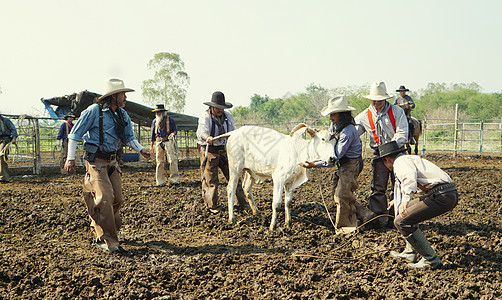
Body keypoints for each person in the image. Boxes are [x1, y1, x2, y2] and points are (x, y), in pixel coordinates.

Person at [64, 78, 151, 252]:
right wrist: (70, 158)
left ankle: (98, 220)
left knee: (117, 199)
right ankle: (109, 240)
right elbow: (75, 135)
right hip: (96, 162)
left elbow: (128, 138)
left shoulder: (122, 114)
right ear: (113, 96)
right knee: (105, 198)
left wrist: (141, 150)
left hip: (113, 162)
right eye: (123, 93)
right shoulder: (93, 112)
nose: (125, 96)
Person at [378, 141, 458, 269]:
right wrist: (398, 200)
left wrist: (405, 200)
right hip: (446, 193)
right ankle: (410, 252)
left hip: (441, 195)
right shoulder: (407, 158)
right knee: (408, 213)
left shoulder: (399, 162)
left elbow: (409, 178)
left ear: (387, 159)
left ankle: (430, 259)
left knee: (401, 221)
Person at [302, 95, 374, 234]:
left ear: (341, 114)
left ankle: (346, 227)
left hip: (351, 164)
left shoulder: (348, 131)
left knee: (341, 195)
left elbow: (336, 156)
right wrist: (316, 135)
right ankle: (365, 214)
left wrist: (315, 164)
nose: (331, 117)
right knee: (338, 193)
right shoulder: (335, 125)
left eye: (333, 114)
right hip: (344, 163)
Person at [354, 82, 409, 228]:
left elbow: (402, 132)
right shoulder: (364, 115)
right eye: (374, 100)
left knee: (399, 184)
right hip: (379, 153)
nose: (377, 102)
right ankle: (378, 217)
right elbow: (354, 132)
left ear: (385, 99)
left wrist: (391, 146)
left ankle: (396, 216)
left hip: (397, 152)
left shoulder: (397, 111)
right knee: (378, 186)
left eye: (379, 100)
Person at [196, 91, 249, 214]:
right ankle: (212, 205)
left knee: (234, 176)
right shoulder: (206, 117)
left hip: (224, 150)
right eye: (218, 108)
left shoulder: (227, 117)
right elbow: (201, 132)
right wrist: (207, 137)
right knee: (211, 179)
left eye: (222, 108)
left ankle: (241, 202)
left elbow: (232, 131)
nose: (220, 110)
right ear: (212, 107)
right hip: (209, 151)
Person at [150, 104, 179, 186]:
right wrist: (151, 146)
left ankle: (174, 180)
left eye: (160, 112)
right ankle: (160, 181)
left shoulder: (170, 120)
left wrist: (173, 134)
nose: (158, 113)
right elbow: (152, 135)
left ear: (163, 112)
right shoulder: (155, 122)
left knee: (172, 160)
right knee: (159, 162)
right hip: (159, 142)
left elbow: (175, 130)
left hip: (168, 141)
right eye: (157, 112)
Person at [0, 114, 18, 183]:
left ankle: (4, 177)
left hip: (5, 140)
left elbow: (13, 129)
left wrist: (14, 138)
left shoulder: (6, 120)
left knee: (1, 155)